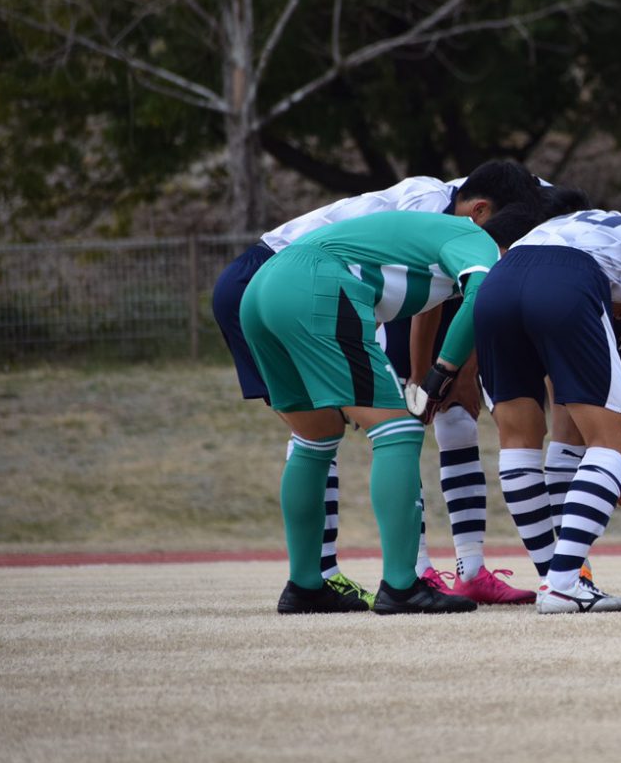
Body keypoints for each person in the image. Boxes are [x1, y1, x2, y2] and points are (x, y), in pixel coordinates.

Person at [209, 161, 541, 609]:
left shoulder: (429, 226)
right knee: (399, 431)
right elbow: (481, 294)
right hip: (314, 283)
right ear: (485, 215)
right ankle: (402, 584)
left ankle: (307, 584)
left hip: (261, 289)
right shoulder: (475, 236)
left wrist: (430, 369)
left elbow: (432, 308)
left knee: (315, 438)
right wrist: (442, 372)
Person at [473, 207, 621, 614]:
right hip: (566, 280)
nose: (616, 313)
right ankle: (565, 582)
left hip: (499, 279)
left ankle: (551, 577)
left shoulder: (560, 225)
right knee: (615, 436)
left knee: (517, 441)